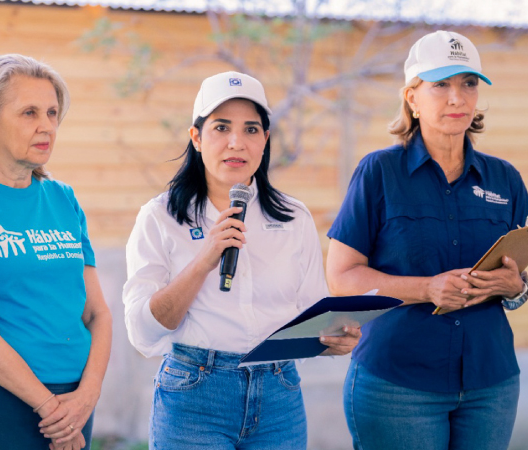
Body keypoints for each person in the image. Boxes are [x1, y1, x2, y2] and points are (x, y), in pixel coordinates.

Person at [122, 71, 361, 450]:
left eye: (251, 130)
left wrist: (332, 340)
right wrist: (204, 260)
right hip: (194, 396)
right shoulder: (160, 217)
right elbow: (143, 332)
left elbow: (311, 314)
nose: (237, 142)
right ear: (197, 138)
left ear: (265, 141)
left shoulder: (294, 217)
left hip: (279, 394)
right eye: (221, 128)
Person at [326, 31, 528, 450]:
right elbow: (342, 279)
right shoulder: (379, 173)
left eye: (468, 83)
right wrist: (426, 288)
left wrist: (517, 288)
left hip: (489, 384)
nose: (457, 98)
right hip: (399, 386)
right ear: (412, 98)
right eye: (440, 85)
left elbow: (517, 279)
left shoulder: (505, 179)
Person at [0, 54, 112, 450]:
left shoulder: (64, 199)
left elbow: (97, 313)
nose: (46, 126)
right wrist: (50, 409)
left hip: (73, 404)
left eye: (52, 112)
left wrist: (87, 396)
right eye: (29, 112)